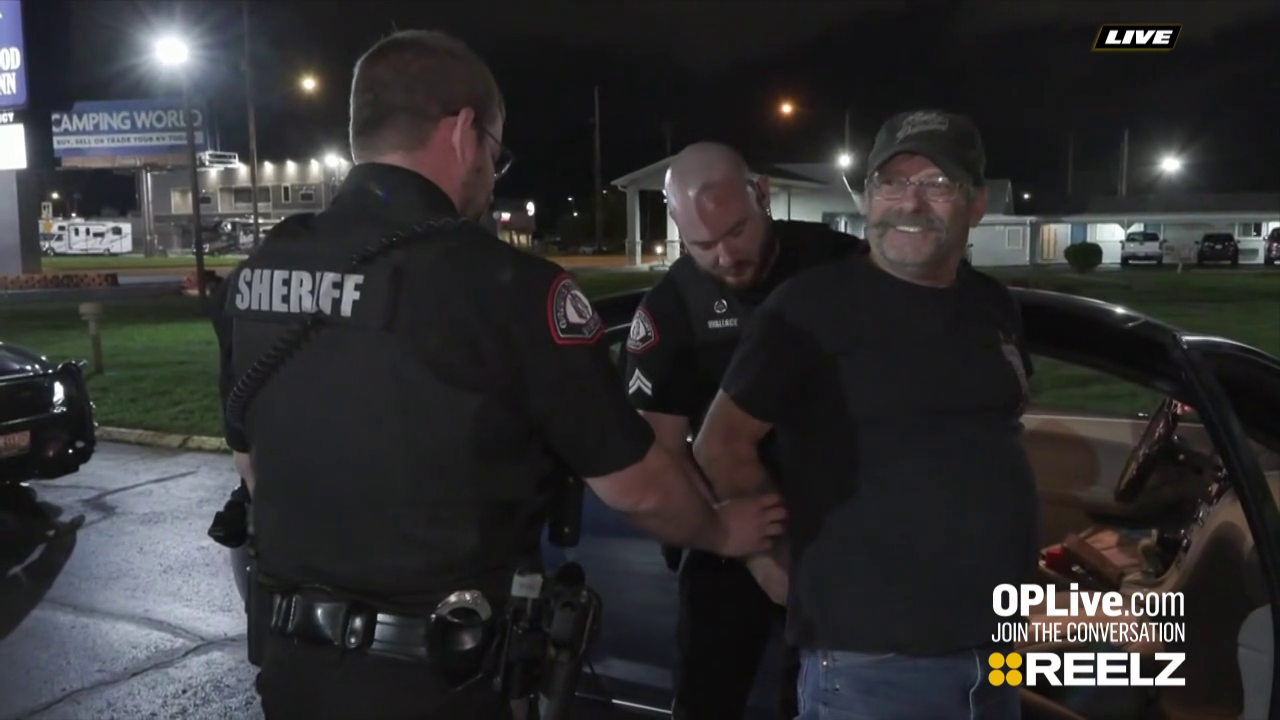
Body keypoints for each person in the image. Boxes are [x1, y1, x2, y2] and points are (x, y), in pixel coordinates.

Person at [213, 31, 785, 720]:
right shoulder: (510, 288)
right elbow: (635, 485)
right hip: (444, 684)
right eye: (494, 152)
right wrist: (722, 532)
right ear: (464, 132)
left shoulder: (256, 277)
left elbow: (252, 466)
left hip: (294, 676)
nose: (491, 173)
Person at [693, 110, 1037, 720]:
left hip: (994, 648)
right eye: (891, 183)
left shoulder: (992, 305)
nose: (911, 203)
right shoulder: (809, 308)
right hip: (872, 663)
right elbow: (721, 443)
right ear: (869, 197)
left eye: (936, 184)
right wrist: (769, 562)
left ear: (977, 203)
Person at [622, 141, 864, 720]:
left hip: (839, 534)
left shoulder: (841, 264)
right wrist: (746, 549)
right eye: (702, 244)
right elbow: (660, 452)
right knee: (706, 700)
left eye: (736, 231)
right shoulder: (671, 308)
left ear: (761, 194)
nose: (726, 256)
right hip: (726, 534)